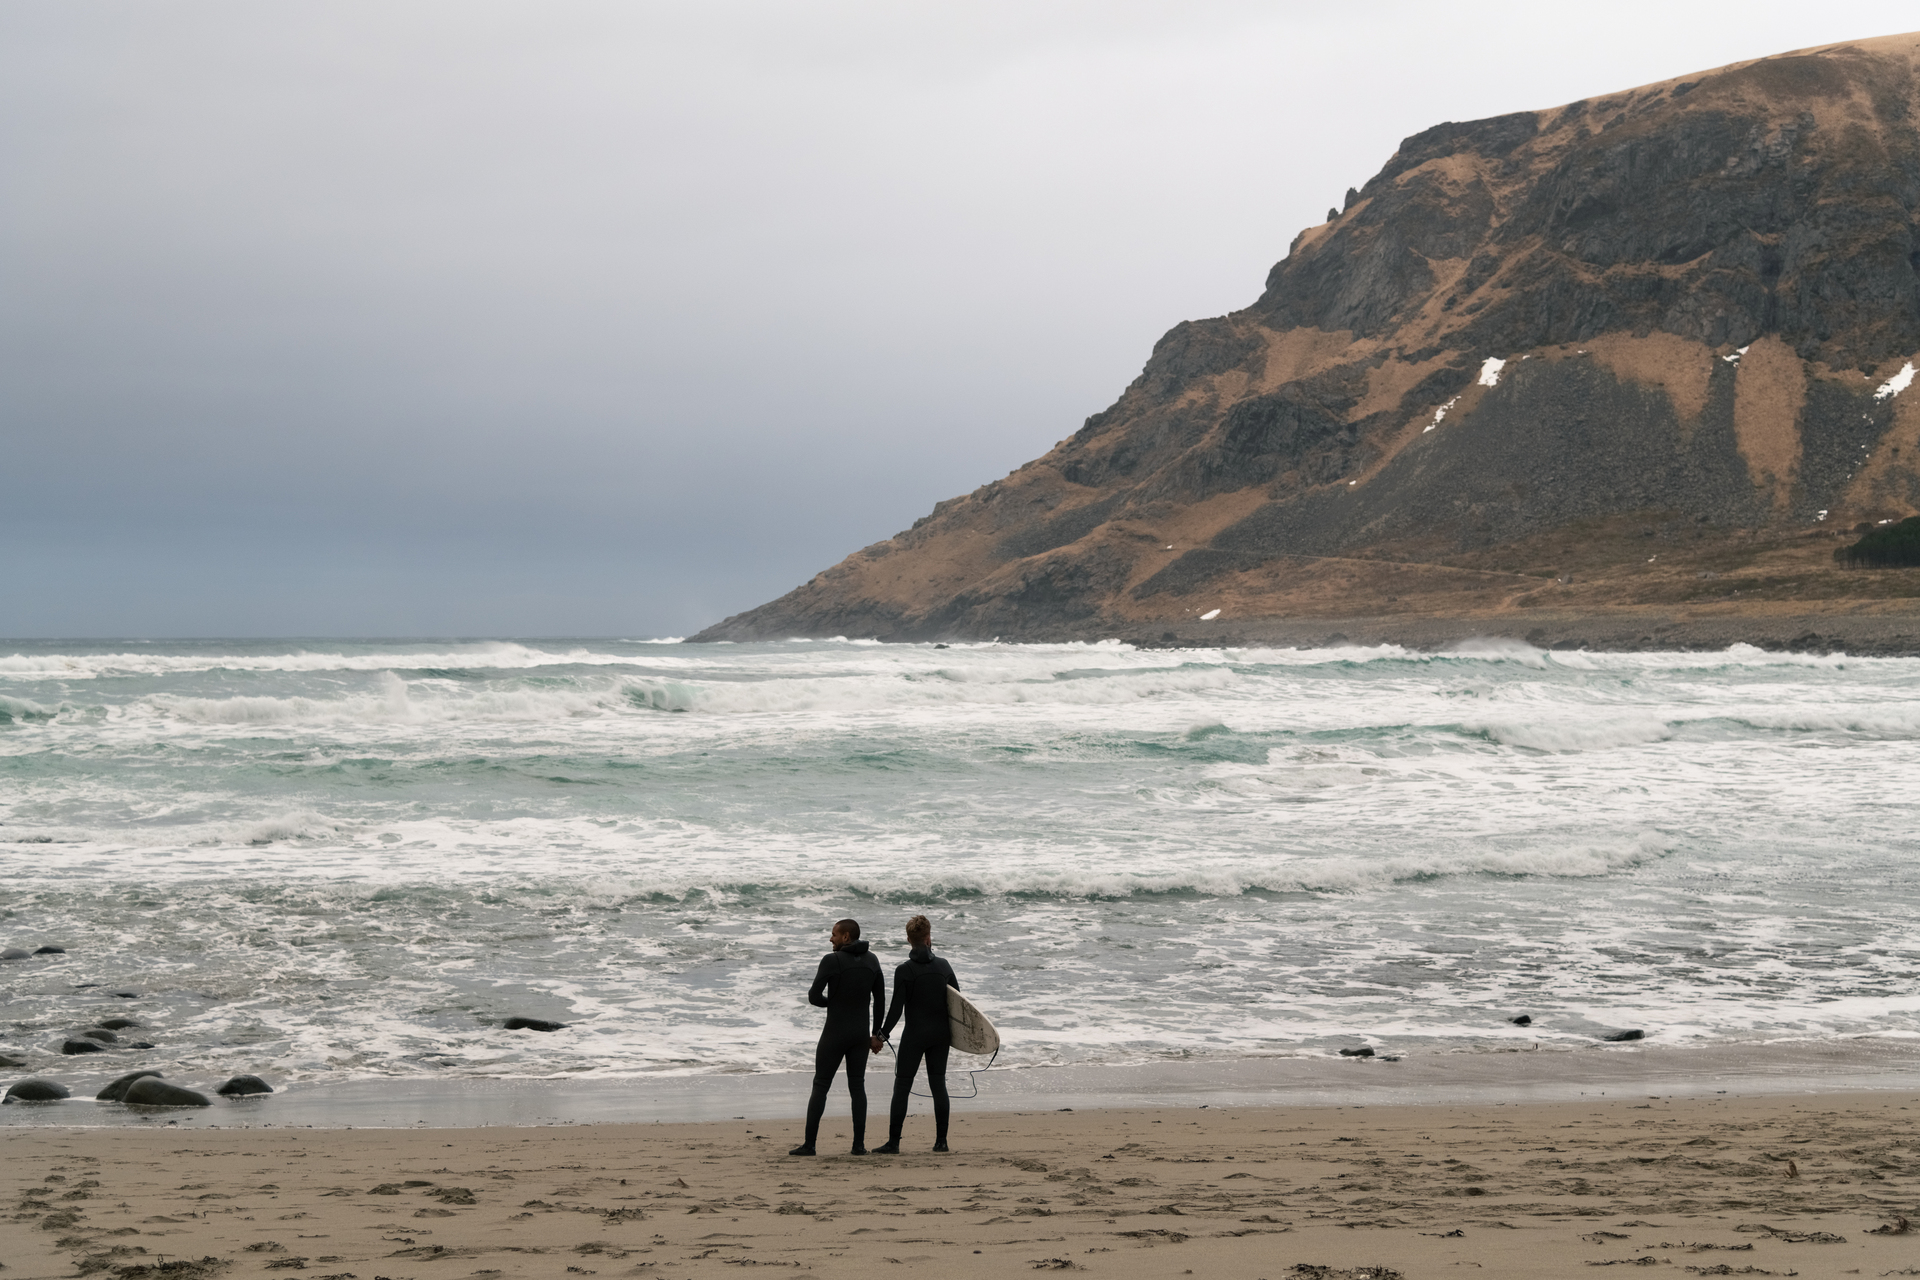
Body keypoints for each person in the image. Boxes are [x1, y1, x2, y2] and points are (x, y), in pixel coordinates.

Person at [790, 917, 885, 1157]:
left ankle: (810, 1145)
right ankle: (858, 1146)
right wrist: (876, 1034)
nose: (830, 938)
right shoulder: (872, 960)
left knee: (821, 1085)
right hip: (859, 1036)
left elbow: (813, 996)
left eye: (834, 934)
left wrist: (832, 1003)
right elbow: (880, 1001)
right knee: (857, 1087)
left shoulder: (831, 960)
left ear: (846, 937)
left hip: (835, 1032)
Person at [872, 914, 959, 1154]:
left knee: (902, 1086)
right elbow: (959, 1005)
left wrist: (879, 1037)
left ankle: (894, 1143)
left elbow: (896, 1010)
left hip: (915, 1034)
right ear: (929, 937)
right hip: (941, 1035)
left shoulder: (904, 970)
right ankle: (941, 1142)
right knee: (938, 1084)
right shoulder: (944, 966)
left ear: (908, 939)